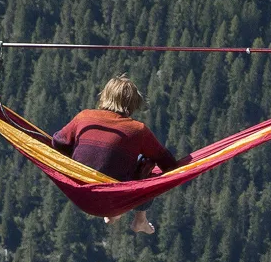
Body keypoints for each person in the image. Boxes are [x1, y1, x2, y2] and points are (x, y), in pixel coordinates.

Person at [46, 75, 176, 236]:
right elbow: (168, 164)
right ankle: (140, 219)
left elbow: (57, 143)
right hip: (115, 198)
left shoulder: (84, 116)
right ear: (132, 105)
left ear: (105, 96)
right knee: (146, 163)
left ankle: (113, 213)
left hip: (81, 192)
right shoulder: (137, 129)